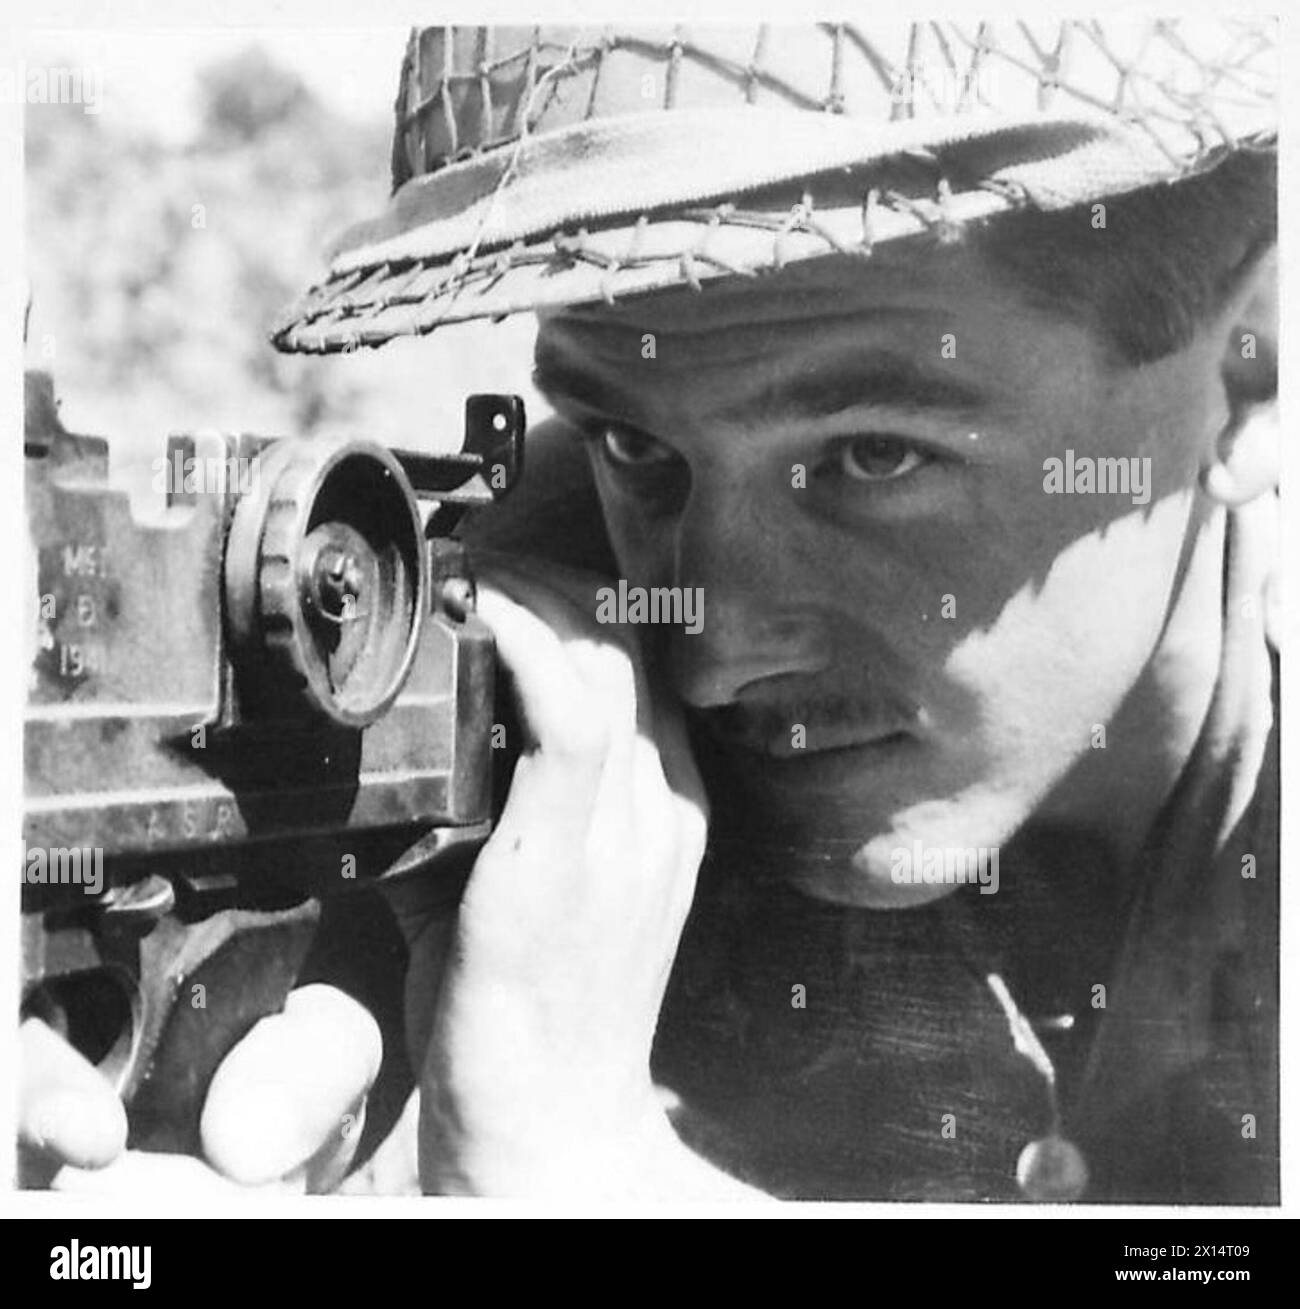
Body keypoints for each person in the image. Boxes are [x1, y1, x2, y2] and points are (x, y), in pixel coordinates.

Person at [22, 20, 1279, 1201]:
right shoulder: (514, 677)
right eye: (629, 441)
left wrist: (586, 1181)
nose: (718, 648)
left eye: (874, 457)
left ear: (1252, 367)